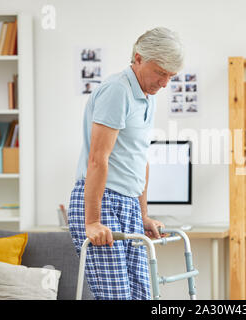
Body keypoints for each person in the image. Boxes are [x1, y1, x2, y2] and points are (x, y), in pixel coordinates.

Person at [68, 27, 183, 300]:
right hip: (102, 201)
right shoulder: (117, 90)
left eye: (170, 76)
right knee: (117, 297)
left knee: (143, 295)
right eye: (160, 72)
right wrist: (93, 221)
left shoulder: (147, 97)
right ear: (139, 58)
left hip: (128, 203)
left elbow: (139, 159)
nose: (165, 82)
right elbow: (98, 159)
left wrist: (142, 214)